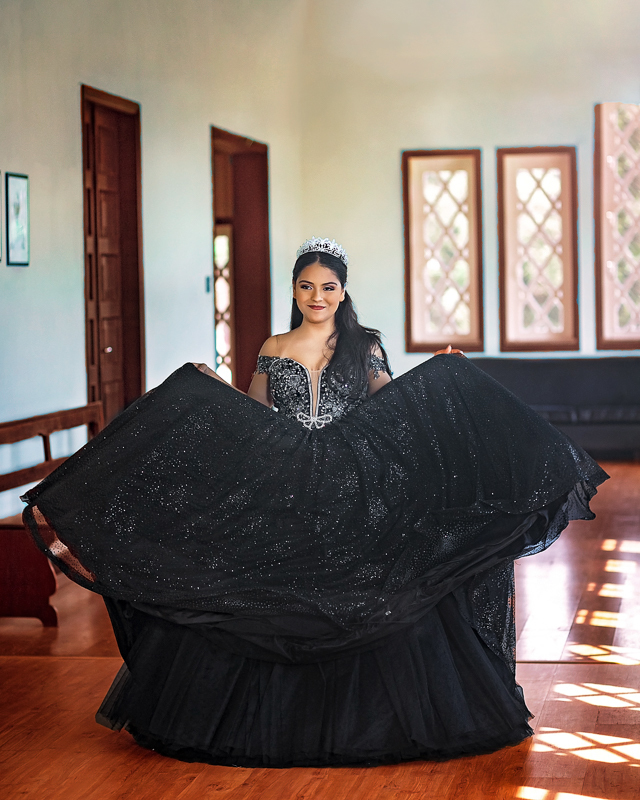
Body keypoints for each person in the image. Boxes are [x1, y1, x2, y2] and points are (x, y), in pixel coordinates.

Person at [23, 237, 607, 768]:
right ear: (295, 290)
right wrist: (206, 388)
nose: (317, 296)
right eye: (306, 285)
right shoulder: (274, 346)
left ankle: (374, 720)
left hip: (356, 479)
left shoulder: (364, 345)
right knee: (269, 588)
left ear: (344, 291)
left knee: (375, 584)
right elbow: (253, 416)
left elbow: (392, 405)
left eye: (328, 286)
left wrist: (440, 373)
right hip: (286, 480)